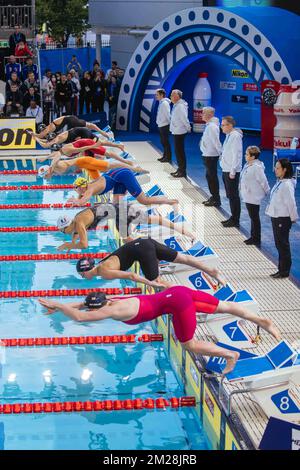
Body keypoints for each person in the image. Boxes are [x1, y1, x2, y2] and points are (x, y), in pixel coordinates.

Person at [39, 286, 281, 375]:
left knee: (189, 344)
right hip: (178, 291)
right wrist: (59, 306)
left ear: (101, 308)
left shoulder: (111, 311)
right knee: (224, 306)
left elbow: (81, 316)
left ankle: (231, 355)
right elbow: (84, 305)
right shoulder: (113, 299)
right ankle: (262, 321)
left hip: (178, 304)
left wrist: (59, 304)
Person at [75, 238, 225, 288]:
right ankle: (212, 271)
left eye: (82, 275)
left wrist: (150, 283)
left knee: (157, 282)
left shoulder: (103, 272)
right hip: (144, 242)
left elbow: (132, 276)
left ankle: (189, 299)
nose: (83, 277)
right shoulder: (101, 263)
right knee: (182, 258)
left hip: (143, 251)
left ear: (86, 271)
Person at [56, 201, 195, 251]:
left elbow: (84, 245)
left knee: (128, 241)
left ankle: (155, 251)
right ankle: (184, 231)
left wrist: (68, 245)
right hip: (118, 210)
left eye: (63, 231)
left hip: (122, 213)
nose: (64, 233)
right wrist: (72, 243)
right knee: (154, 220)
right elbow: (75, 234)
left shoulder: (79, 223)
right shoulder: (77, 220)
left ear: (68, 226)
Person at [67, 170, 179, 208]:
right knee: (115, 204)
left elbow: (82, 201)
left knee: (143, 200)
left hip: (123, 175)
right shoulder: (87, 186)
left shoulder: (90, 190)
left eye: (76, 188)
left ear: (82, 187)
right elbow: (81, 196)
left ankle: (169, 201)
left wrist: (75, 201)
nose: (76, 191)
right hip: (116, 178)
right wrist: (76, 200)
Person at [266, 159, 298, 279]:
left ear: (285, 170)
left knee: (283, 244)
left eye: (278, 168)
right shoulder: (281, 182)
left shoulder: (287, 185)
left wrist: (293, 217)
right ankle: (281, 268)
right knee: (279, 243)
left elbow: (291, 203)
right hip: (276, 216)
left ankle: (284, 271)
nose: (275, 170)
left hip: (283, 218)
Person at [240, 146, 270, 247]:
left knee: (254, 217)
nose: (245, 156)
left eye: (247, 154)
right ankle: (253, 236)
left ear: (253, 157)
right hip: (248, 195)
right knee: (252, 217)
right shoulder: (249, 164)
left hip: (253, 196)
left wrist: (267, 191)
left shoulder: (257, 168)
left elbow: (263, 181)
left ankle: (256, 238)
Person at [220, 116, 243, 228]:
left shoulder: (235, 136)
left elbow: (237, 155)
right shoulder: (228, 135)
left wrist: (233, 170)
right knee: (230, 195)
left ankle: (235, 219)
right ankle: (233, 216)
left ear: (230, 125)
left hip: (231, 170)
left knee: (233, 196)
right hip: (226, 169)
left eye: (223, 125)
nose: (222, 127)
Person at [200, 107, 222, 207]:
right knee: (209, 176)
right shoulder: (210, 126)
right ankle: (214, 196)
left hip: (211, 156)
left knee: (212, 177)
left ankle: (216, 199)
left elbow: (216, 142)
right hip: (208, 154)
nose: (202, 115)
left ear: (209, 115)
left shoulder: (212, 127)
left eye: (203, 113)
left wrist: (220, 154)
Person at [30, 115, 110, 140]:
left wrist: (32, 134)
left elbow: (40, 136)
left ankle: (103, 135)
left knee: (78, 136)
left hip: (71, 122)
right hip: (72, 119)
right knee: (91, 126)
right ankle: (103, 133)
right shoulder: (50, 127)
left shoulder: (48, 128)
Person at [169, 89, 191, 178]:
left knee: (180, 152)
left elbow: (184, 118)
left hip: (179, 131)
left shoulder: (180, 106)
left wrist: (188, 127)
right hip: (176, 131)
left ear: (177, 96)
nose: (170, 97)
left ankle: (182, 171)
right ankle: (180, 169)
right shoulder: (177, 105)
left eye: (172, 95)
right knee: (178, 152)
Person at [156, 89, 172, 163]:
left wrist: (169, 124)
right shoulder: (161, 103)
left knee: (165, 142)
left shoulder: (165, 103)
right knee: (163, 141)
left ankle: (168, 157)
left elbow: (167, 115)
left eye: (157, 95)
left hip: (164, 125)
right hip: (161, 124)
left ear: (161, 95)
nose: (156, 96)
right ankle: (165, 156)